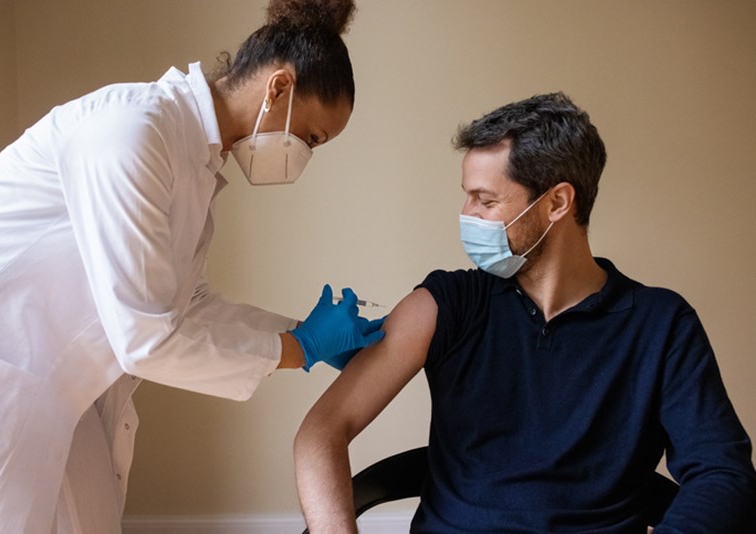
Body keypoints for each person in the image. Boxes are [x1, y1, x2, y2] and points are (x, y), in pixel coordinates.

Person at [0, 0, 384, 532]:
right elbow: (147, 338)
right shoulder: (131, 131)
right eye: (312, 137)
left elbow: (188, 306)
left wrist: (304, 333)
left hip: (56, 385)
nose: (305, 154)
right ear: (279, 88)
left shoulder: (195, 162)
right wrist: (301, 349)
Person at [294, 93, 756, 533]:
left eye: (486, 200)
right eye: (468, 195)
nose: (466, 213)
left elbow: (722, 472)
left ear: (557, 202)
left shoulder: (661, 325)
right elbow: (322, 434)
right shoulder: (448, 303)